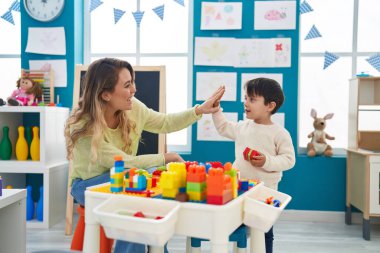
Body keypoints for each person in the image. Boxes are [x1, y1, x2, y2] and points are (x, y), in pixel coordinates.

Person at [64, 57, 224, 253]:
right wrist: (166, 157)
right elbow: (124, 162)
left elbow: (164, 122)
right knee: (138, 201)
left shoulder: (132, 108)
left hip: (126, 177)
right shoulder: (83, 127)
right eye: (127, 85)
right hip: (89, 184)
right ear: (106, 94)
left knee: (148, 196)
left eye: (132, 82)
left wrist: (199, 110)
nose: (133, 90)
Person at [212, 77, 295, 253]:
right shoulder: (243, 127)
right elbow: (223, 127)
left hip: (265, 192)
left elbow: (288, 159)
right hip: (239, 189)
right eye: (245, 98)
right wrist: (216, 110)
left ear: (270, 106)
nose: (246, 103)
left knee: (264, 231)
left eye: (252, 99)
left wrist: (267, 161)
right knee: (238, 228)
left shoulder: (279, 133)